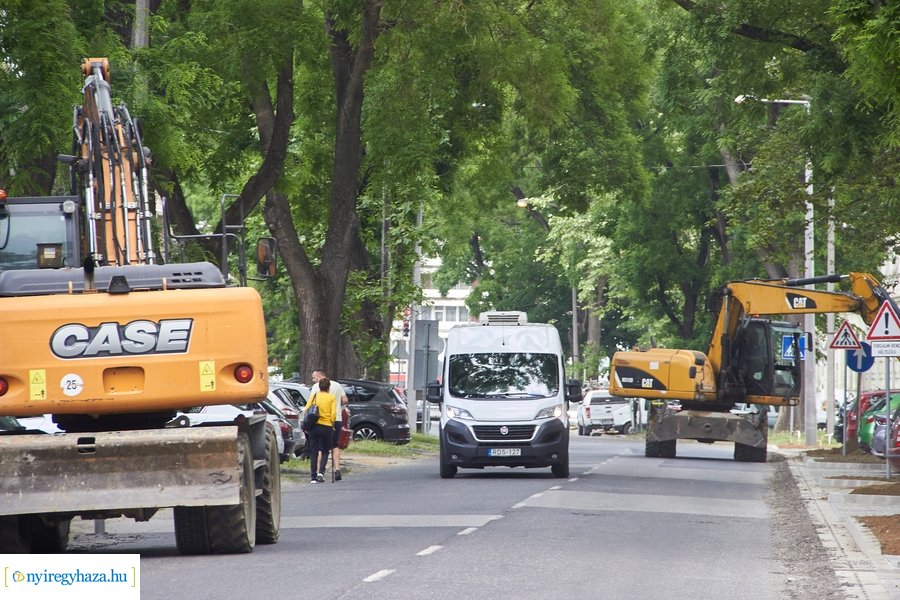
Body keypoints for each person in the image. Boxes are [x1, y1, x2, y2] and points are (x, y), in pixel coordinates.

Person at [311, 369, 349, 481]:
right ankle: (337, 468)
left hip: (322, 420)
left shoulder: (316, 387)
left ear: (320, 376)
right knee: (335, 445)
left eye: (314, 377)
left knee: (320, 447)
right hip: (337, 418)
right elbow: (345, 400)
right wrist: (338, 405)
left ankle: (319, 472)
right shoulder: (337, 385)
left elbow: (312, 403)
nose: (313, 380)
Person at [304, 377, 338, 483]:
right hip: (326, 426)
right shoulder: (331, 397)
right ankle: (321, 472)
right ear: (328, 387)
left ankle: (313, 476)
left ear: (319, 387)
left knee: (314, 452)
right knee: (325, 451)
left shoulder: (315, 396)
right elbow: (333, 414)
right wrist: (332, 425)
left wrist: (306, 425)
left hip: (314, 426)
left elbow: (306, 409)